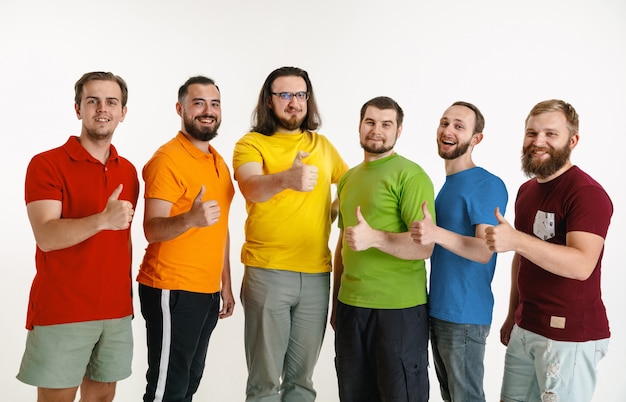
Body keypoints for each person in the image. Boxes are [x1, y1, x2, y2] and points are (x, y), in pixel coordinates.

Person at [17, 71, 139, 402]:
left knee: (101, 398)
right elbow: (46, 235)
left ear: (123, 112)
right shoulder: (46, 165)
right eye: (93, 101)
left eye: (111, 102)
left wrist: (127, 302)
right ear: (78, 109)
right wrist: (101, 219)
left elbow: (122, 241)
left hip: (115, 312)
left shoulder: (127, 170)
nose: (103, 109)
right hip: (63, 310)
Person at [232, 66, 348, 402]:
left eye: (300, 95)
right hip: (267, 271)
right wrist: (286, 179)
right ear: (269, 102)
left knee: (302, 383)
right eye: (284, 95)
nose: (294, 102)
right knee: (264, 383)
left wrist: (333, 208)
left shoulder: (322, 145)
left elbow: (353, 185)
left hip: (315, 275)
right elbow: (251, 186)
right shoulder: (251, 143)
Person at [485, 99, 612, 402]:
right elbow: (523, 256)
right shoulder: (527, 190)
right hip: (526, 326)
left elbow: (582, 264)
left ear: (573, 140)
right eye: (531, 133)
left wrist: (516, 240)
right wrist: (511, 315)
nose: (538, 142)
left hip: (569, 336)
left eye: (550, 134)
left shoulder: (587, 193)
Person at [137, 76, 235, 402]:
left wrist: (225, 283)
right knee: (168, 387)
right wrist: (190, 218)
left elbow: (220, 228)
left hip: (206, 291)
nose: (208, 111)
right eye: (198, 103)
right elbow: (152, 228)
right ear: (180, 109)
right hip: (171, 288)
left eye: (214, 103)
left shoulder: (218, 160)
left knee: (189, 383)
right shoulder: (167, 159)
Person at [332, 96, 435, 402]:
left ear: (398, 131)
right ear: (360, 126)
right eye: (370, 122)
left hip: (398, 310)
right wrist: (336, 301)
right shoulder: (349, 178)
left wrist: (375, 238)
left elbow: (425, 246)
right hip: (351, 307)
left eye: (386, 124)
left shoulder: (411, 175)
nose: (377, 130)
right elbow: (343, 245)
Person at [410, 101, 508, 402]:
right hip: (438, 310)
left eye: (458, 126)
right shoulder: (448, 185)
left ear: (476, 138)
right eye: (444, 122)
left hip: (465, 315)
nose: (448, 130)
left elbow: (484, 250)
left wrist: (436, 233)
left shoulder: (486, 184)